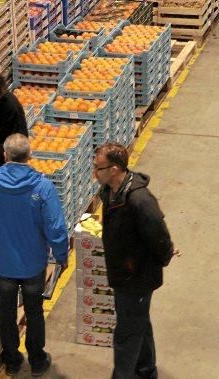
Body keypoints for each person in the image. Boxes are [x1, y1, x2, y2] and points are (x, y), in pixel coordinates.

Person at [0, 133, 69, 377]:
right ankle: (38, 360)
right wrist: (61, 254)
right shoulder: (43, 187)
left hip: (4, 262)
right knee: (34, 310)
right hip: (33, 264)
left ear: (5, 155)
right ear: (30, 156)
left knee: (7, 310)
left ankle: (12, 359)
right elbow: (55, 226)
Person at [93, 143, 178, 379]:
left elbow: (159, 235)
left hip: (137, 276)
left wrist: (164, 256)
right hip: (124, 273)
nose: (94, 173)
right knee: (139, 322)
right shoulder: (109, 191)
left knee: (126, 334)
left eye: (98, 168)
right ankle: (146, 370)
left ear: (115, 169)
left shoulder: (139, 200)